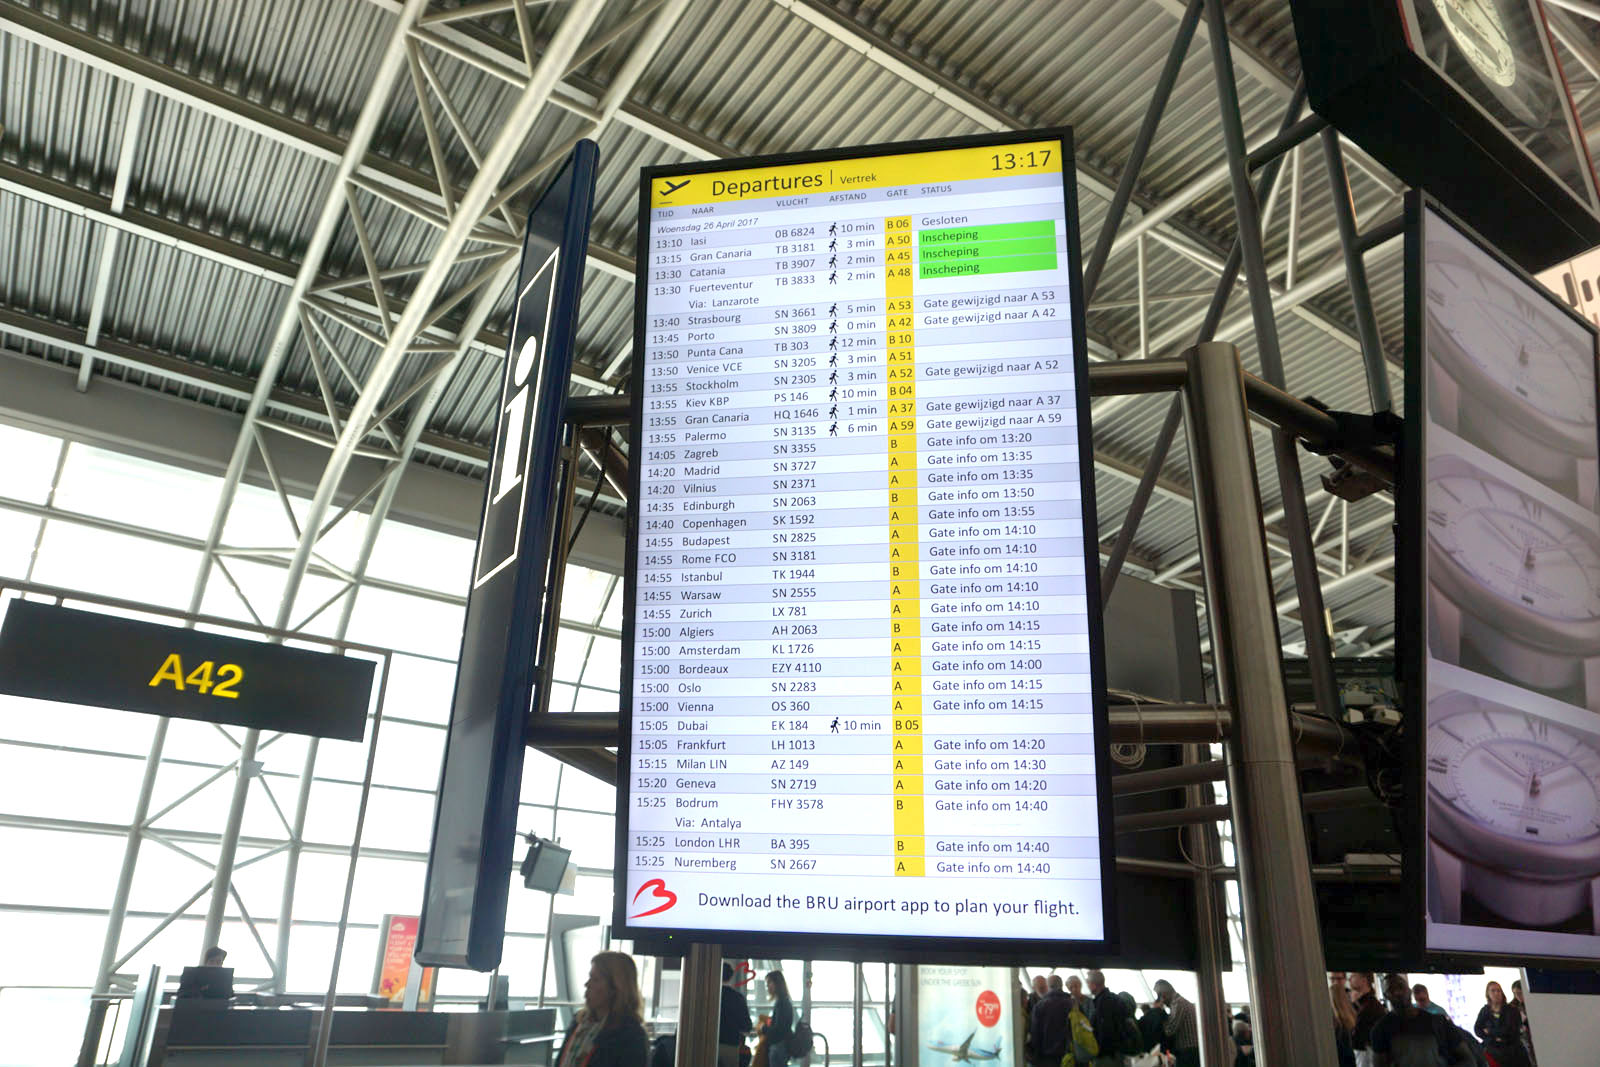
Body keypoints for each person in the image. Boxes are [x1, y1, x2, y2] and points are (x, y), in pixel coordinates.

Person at [556, 952, 648, 1067]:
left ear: (616, 988)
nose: (587, 984)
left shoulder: (630, 1036)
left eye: (595, 979)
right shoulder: (578, 1021)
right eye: (590, 977)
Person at [1371, 973, 1470, 1067]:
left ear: (1409, 990)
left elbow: (1468, 1060)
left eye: (1400, 987)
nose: (1397, 993)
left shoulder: (1437, 1021)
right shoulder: (1381, 1029)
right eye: (1391, 990)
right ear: (1386, 996)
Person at [1474, 981, 1530, 1067]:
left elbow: (1509, 1031)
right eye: (1493, 991)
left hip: (1514, 1052)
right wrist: (1492, 1039)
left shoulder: (1512, 1010)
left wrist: (1489, 1031)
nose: (1496, 993)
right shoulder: (1485, 1011)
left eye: (1498, 990)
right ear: (1488, 994)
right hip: (1494, 1052)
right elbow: (1477, 1029)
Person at [1086, 970, 1129, 1067]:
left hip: (1106, 1055)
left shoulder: (1101, 1003)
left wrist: (1098, 1051)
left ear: (1093, 985)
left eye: (1088, 983)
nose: (1088, 986)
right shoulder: (1116, 999)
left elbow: (1104, 1029)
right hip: (1118, 1052)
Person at [1028, 974, 1072, 1067]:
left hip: (1047, 1057)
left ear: (1048, 986)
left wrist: (1035, 1056)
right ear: (1061, 985)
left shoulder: (1040, 1006)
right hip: (1070, 1055)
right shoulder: (1072, 1003)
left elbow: (1035, 1033)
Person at [1153, 979, 1199, 1067]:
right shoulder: (1178, 1003)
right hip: (1190, 1051)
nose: (1160, 1000)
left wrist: (1159, 1011)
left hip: (1189, 1052)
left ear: (1164, 994)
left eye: (1159, 996)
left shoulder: (1178, 1004)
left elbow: (1170, 1030)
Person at [719, 963, 753, 1067]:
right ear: (731, 977)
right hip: (731, 1044)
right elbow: (747, 1026)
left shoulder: (708, 995)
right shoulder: (738, 998)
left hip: (707, 1044)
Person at [1350, 972, 1386, 1065]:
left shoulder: (1372, 1005)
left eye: (1354, 975)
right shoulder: (1362, 1003)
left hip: (1367, 1051)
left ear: (1364, 980)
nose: (1350, 978)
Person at [762, 971, 796, 1067]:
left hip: (779, 1045)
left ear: (777, 984)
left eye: (769, 982)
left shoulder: (781, 1003)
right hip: (782, 1044)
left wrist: (764, 1028)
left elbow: (779, 1029)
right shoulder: (784, 1001)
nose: (767, 986)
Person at [1330, 973, 1357, 1067]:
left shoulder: (1337, 1027)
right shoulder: (1353, 1018)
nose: (1335, 981)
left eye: (1338, 978)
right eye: (1332, 978)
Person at [1511, 980, 1537, 1066]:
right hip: (1523, 1038)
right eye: (1515, 993)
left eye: (1519, 993)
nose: (1517, 996)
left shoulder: (1532, 1003)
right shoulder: (1513, 1006)